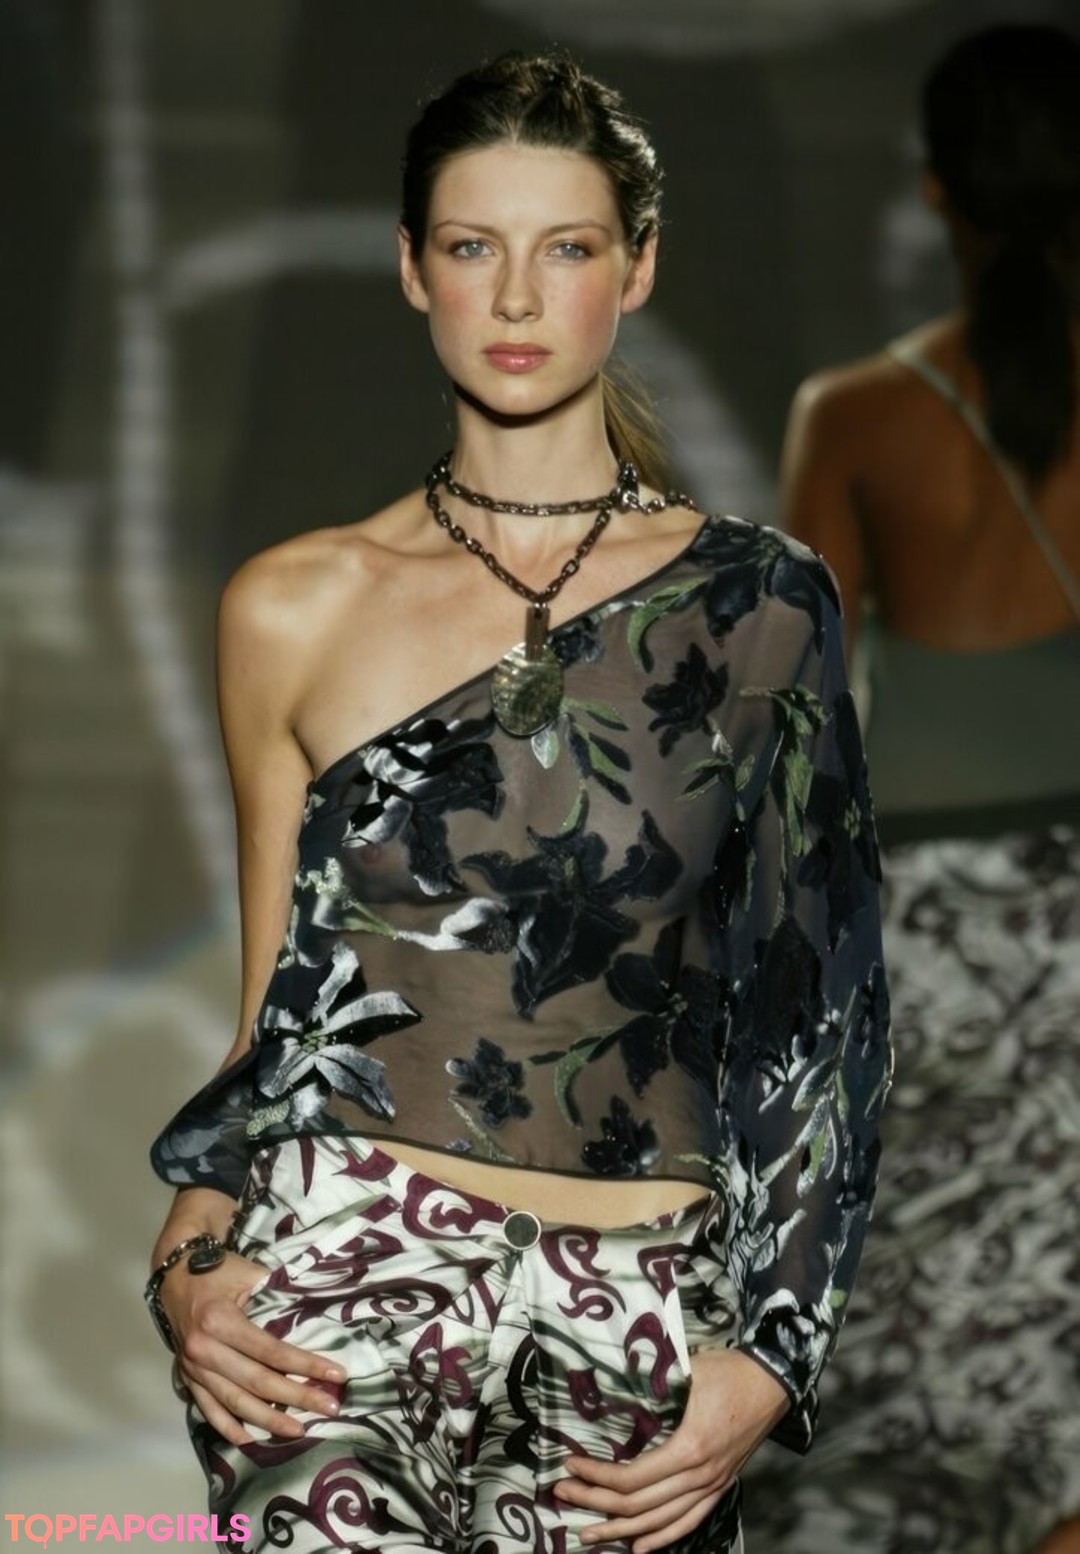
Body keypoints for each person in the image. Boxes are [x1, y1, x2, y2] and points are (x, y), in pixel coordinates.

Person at [146, 50, 890, 1554]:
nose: (517, 297)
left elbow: (824, 1009)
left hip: (636, 1318)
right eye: (473, 246)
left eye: (568, 249)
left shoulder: (758, 603)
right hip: (335, 1285)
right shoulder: (292, 605)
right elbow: (276, 1014)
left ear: (639, 266)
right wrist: (193, 1265)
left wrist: (772, 1352)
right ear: (412, 267)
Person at [742, 24, 1080, 1554]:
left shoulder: (859, 414)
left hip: (933, 932)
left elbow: (790, 731)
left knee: (891, 1344)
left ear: (938, 188)